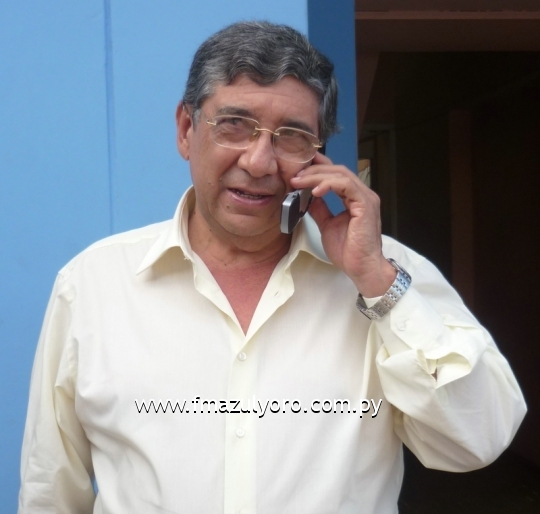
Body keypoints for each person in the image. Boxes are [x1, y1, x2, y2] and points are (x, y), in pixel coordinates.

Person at [19, 21, 526, 514]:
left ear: (318, 158)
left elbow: (477, 439)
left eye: (291, 136)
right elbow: (49, 489)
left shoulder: (387, 272)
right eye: (234, 125)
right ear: (186, 130)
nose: (259, 162)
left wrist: (377, 282)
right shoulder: (92, 285)